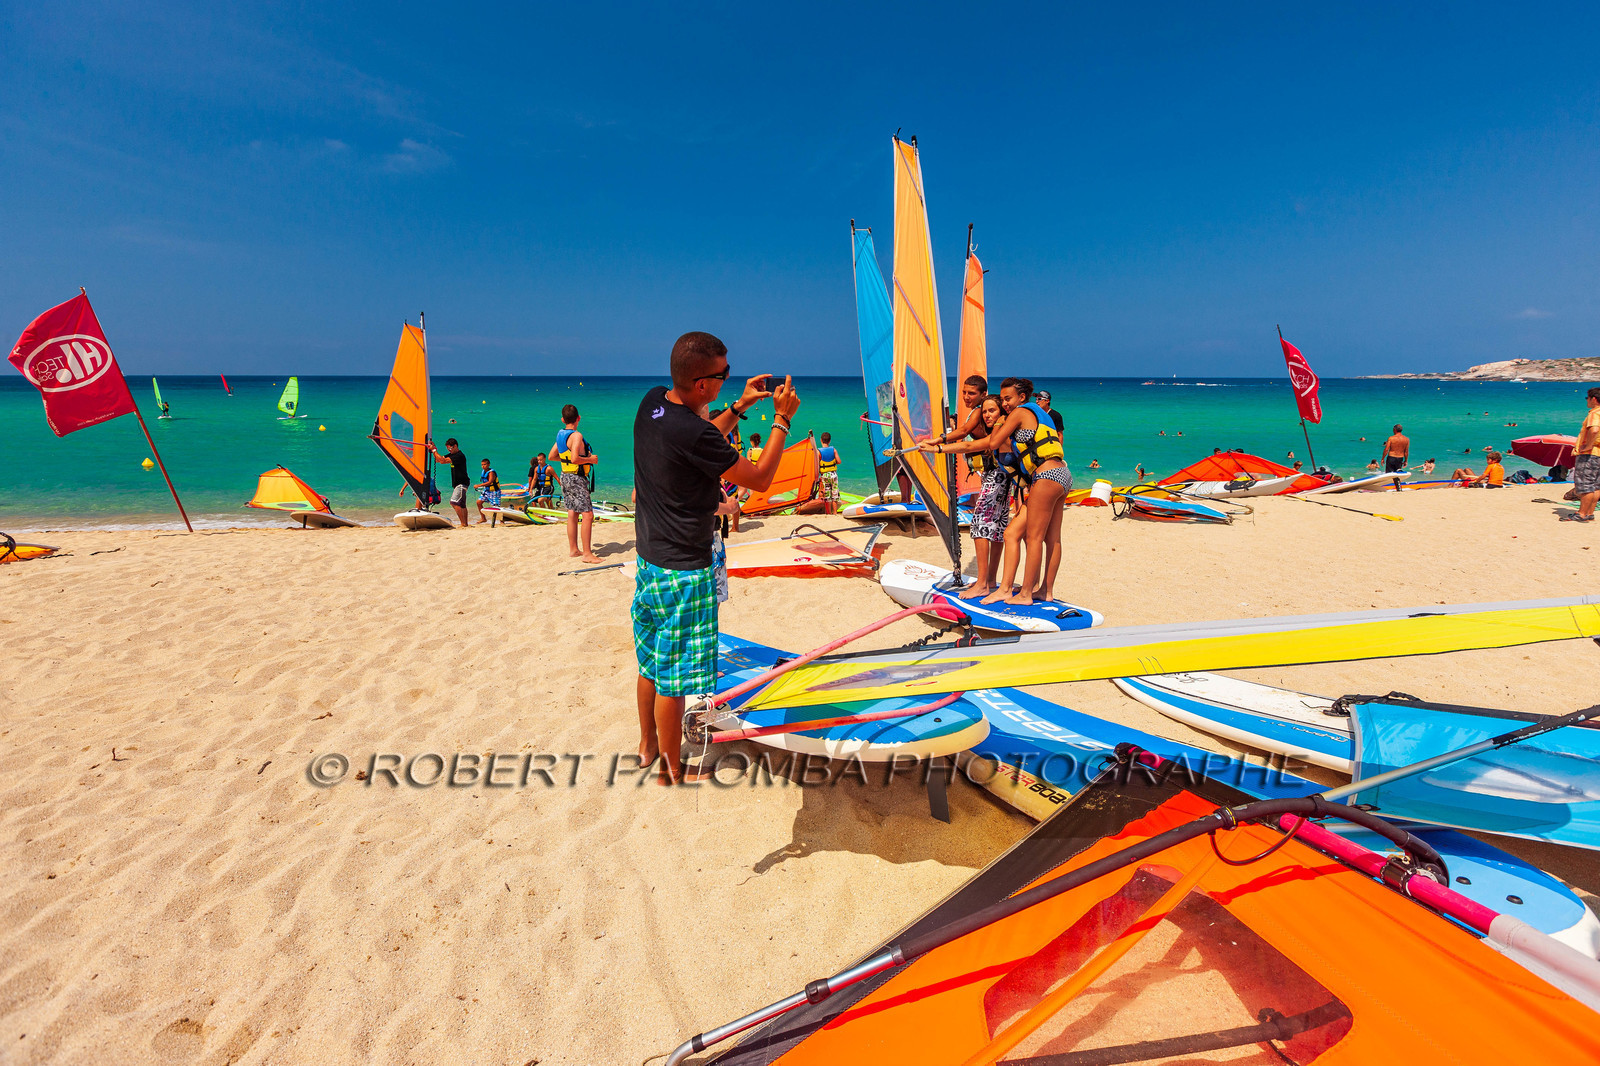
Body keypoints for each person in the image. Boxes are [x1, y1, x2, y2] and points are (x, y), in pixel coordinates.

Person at [633, 331, 800, 783]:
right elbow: (760, 478)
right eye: (724, 375)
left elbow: (699, 440)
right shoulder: (692, 429)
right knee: (673, 680)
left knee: (650, 663)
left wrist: (742, 406)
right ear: (703, 384)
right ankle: (670, 770)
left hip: (649, 561)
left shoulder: (654, 404)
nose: (730, 379)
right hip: (684, 571)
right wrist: (781, 420)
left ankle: (649, 745)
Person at [927, 376, 1070, 606]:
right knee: (1047, 538)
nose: (1005, 404)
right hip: (1063, 474)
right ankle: (1044, 591)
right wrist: (940, 447)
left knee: (1029, 537)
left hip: (1046, 477)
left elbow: (991, 444)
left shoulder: (1020, 413)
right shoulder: (1036, 414)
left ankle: (1022, 594)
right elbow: (973, 444)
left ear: (1021, 397)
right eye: (1002, 399)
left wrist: (1000, 425)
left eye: (1007, 399)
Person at [951, 396, 1012, 598]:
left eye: (991, 411)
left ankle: (983, 584)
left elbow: (967, 445)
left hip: (996, 480)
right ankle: (991, 579)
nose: (986, 415)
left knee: (979, 527)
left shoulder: (1000, 430)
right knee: (996, 530)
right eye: (984, 411)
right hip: (1003, 480)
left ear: (1001, 412)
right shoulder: (1003, 428)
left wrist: (938, 446)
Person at [551, 404, 601, 562]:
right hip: (576, 478)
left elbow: (552, 456)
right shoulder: (576, 436)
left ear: (562, 419)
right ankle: (587, 554)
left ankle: (573, 549)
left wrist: (566, 460)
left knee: (572, 512)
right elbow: (575, 459)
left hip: (565, 476)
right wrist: (590, 459)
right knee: (588, 515)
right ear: (578, 418)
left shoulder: (561, 434)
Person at [1564, 386, 1600, 522]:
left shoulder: (1595, 413)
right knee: (1596, 485)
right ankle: (1589, 512)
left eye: (1587, 398)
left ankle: (1582, 513)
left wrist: (1587, 446)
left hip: (1591, 453)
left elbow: (1594, 430)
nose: (1587, 401)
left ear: (1594, 399)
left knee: (1585, 485)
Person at [430, 437, 471, 527]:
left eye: (450, 448)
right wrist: (434, 449)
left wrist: (434, 450)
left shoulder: (459, 455)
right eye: (448, 449)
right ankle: (465, 524)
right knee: (462, 504)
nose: (449, 450)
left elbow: (442, 460)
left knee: (454, 502)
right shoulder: (452, 454)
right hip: (460, 483)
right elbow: (438, 460)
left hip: (461, 483)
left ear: (455, 446)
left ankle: (463, 524)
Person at [818, 432, 841, 514]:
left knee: (827, 494)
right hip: (833, 475)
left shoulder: (819, 452)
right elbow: (839, 461)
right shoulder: (833, 450)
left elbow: (817, 465)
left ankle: (828, 513)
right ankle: (835, 512)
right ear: (829, 441)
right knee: (834, 493)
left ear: (821, 440)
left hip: (825, 475)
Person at [475, 458, 501, 523]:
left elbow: (490, 482)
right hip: (486, 491)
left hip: (494, 492)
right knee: (478, 502)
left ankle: (502, 521)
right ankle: (483, 518)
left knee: (496, 507)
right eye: (482, 465)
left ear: (488, 464)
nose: (483, 466)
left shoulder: (491, 472)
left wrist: (479, 485)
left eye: (484, 464)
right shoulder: (483, 471)